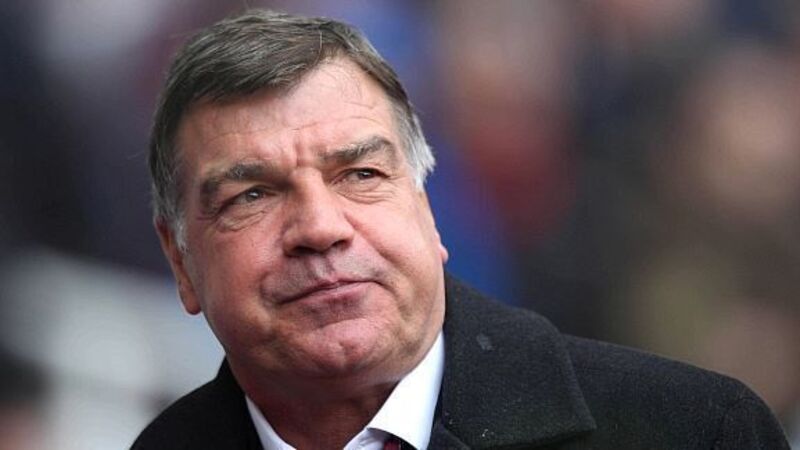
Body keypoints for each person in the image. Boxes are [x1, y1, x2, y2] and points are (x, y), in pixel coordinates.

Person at [132, 9, 789, 450]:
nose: (321, 227)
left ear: (426, 208)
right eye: (252, 194)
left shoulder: (692, 431)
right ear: (181, 261)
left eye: (361, 174)